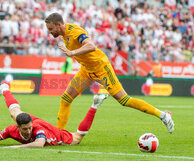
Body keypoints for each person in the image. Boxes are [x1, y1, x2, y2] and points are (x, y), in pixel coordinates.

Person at [44, 13, 174, 133]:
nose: (49, 32)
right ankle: (58, 135)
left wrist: (72, 53)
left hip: (101, 68)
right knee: (66, 99)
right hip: (86, 70)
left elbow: (91, 46)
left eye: (50, 29)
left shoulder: (75, 31)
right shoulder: (64, 35)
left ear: (59, 25)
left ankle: (162, 115)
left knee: (124, 100)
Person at [0, 83, 107, 148]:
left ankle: (95, 104)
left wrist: (14, 148)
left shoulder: (36, 129)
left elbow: (39, 144)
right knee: (14, 112)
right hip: (32, 121)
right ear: (18, 126)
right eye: (25, 129)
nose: (28, 131)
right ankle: (5, 89)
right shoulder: (12, 129)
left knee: (78, 138)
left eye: (29, 128)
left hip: (56, 134)